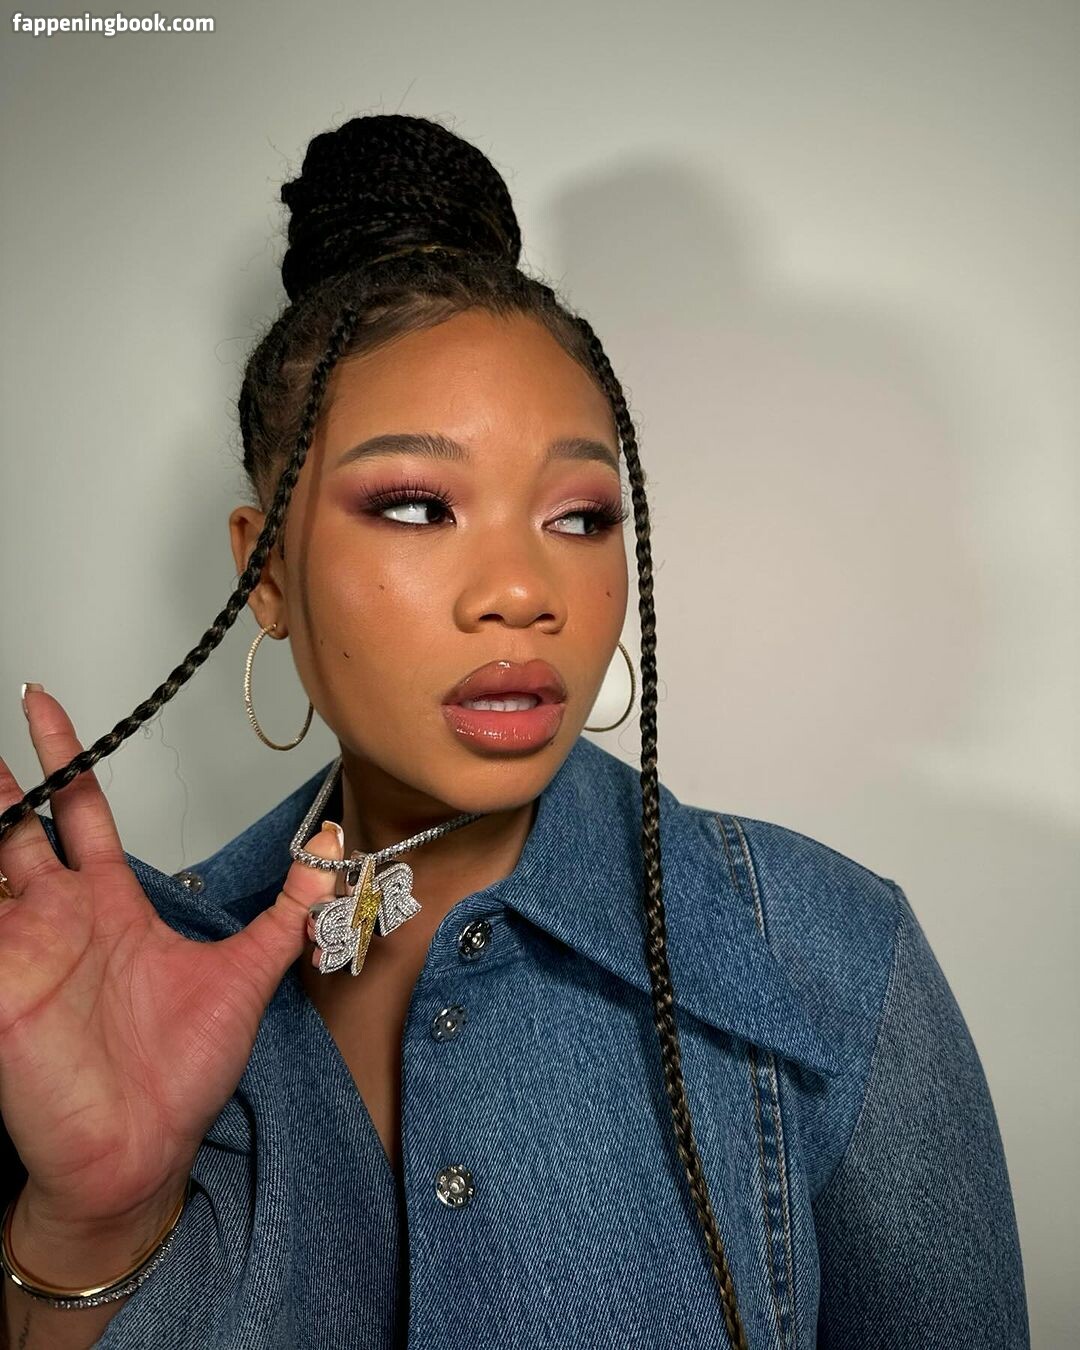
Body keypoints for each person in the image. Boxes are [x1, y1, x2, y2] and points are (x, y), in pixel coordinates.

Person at [0, 114, 1029, 1350]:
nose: (522, 591)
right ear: (263, 569)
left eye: (580, 517)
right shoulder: (100, 1000)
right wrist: (91, 1227)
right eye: (417, 505)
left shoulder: (832, 958)